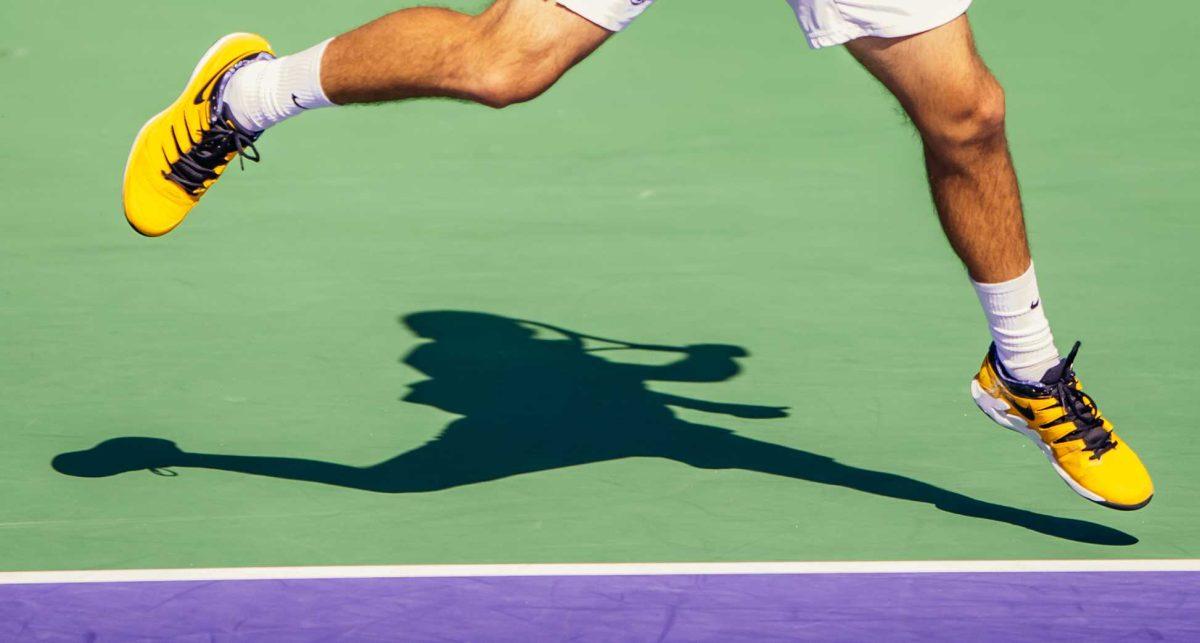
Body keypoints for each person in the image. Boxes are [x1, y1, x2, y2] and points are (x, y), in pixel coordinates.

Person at [120, 0, 1153, 509]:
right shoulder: (446, 366)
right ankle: (244, 97)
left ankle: (1025, 369)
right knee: (504, 64)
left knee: (967, 113)